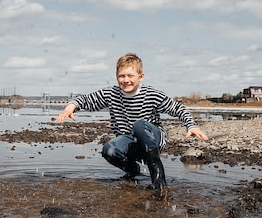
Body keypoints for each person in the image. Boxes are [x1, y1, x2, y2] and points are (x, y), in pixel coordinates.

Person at [57, 53, 209, 195]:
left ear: (141, 76)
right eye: (121, 76)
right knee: (109, 150)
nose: (126, 80)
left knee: (139, 126)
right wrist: (70, 108)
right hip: (129, 141)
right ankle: (133, 170)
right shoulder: (111, 94)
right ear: (116, 77)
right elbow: (85, 100)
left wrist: (191, 125)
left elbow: (178, 109)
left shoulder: (151, 94)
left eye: (130, 75)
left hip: (152, 138)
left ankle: (159, 181)